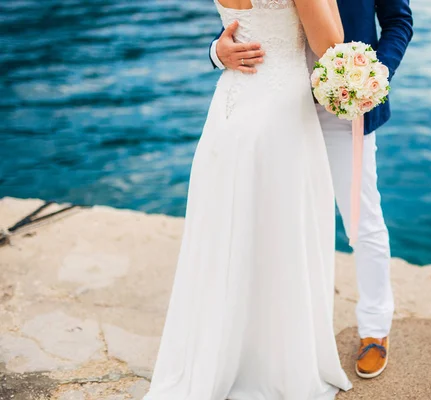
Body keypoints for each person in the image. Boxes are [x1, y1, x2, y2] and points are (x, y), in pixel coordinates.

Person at [144, 0, 353, 398]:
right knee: (282, 239)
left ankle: (221, 357)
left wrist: (214, 53)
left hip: (230, 110)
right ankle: (275, 362)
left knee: (225, 236)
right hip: (279, 116)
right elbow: (330, 44)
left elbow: (238, 26)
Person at [210, 0, 413, 380]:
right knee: (280, 220)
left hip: (343, 107)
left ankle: (374, 327)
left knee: (361, 218)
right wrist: (216, 52)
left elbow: (398, 21)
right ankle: (287, 329)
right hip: (275, 105)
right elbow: (245, 18)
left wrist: (371, 75)